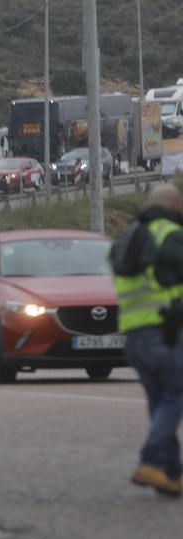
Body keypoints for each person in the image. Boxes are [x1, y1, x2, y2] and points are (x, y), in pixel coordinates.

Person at [116, 184, 183, 497]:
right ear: (172, 205)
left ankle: (169, 472)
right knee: (176, 395)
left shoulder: (129, 237)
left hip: (132, 332)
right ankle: (150, 460)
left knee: (160, 401)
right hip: (164, 329)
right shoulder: (170, 234)